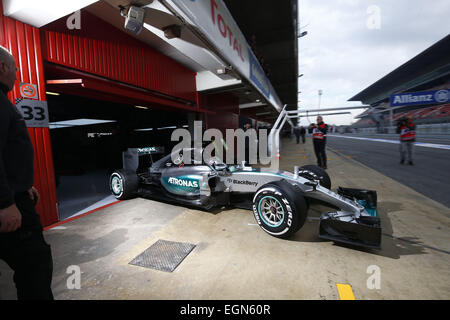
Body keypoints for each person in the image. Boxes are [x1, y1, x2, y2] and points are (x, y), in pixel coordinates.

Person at [0, 46, 54, 300]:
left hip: (14, 194)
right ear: (3, 67)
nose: (17, 75)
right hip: (9, 206)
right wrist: (6, 202)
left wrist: (22, 184)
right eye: (16, 68)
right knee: (36, 267)